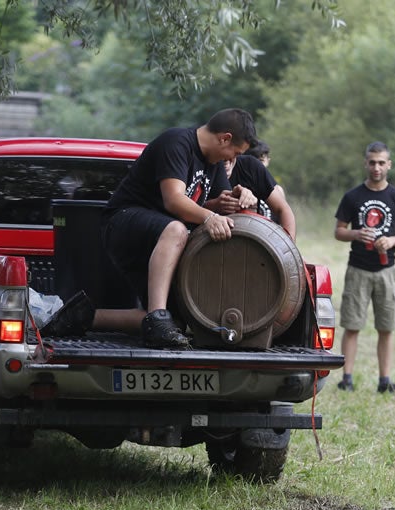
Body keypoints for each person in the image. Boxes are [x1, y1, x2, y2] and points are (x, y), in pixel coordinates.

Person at [89, 108, 258, 348]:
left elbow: (217, 203)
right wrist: (209, 217)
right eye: (235, 153)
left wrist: (239, 197)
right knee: (177, 229)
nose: (233, 160)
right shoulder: (176, 142)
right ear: (224, 138)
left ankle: (86, 318)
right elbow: (174, 200)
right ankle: (157, 321)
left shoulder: (214, 162)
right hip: (122, 223)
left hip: (161, 239)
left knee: (177, 321)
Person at [333, 141, 395, 394]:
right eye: (372, 162)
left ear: (389, 165)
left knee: (386, 327)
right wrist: (357, 234)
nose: (376, 167)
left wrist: (391, 241)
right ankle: (346, 379)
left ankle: (384, 381)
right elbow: (339, 231)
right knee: (352, 325)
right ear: (365, 164)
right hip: (358, 269)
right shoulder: (353, 196)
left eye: (381, 163)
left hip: (386, 271)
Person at [222, 153, 296, 239]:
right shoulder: (210, 167)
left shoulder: (250, 167)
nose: (226, 159)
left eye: (232, 150)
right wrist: (215, 208)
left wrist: (288, 244)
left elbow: (283, 209)